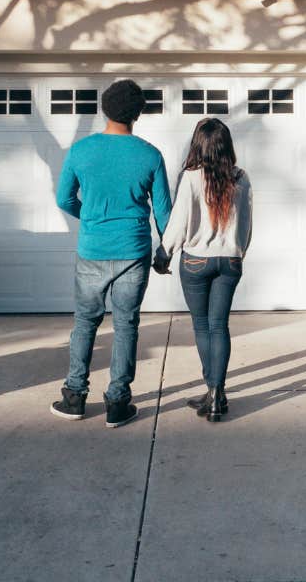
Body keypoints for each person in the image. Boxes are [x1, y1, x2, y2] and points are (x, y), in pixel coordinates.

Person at [51, 78, 172, 428]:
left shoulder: (81, 150)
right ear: (138, 113)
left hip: (92, 250)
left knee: (85, 323)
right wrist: (166, 251)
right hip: (133, 251)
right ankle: (118, 403)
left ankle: (74, 397)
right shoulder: (149, 155)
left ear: (104, 108)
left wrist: (88, 217)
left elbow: (63, 199)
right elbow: (164, 213)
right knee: (126, 324)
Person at [153, 117, 252, 422]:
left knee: (202, 326)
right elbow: (246, 224)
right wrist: (238, 252)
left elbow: (179, 221)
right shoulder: (241, 177)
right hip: (230, 261)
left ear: (198, 144)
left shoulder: (192, 177)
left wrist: (163, 252)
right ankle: (217, 393)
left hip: (196, 261)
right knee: (219, 326)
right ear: (226, 145)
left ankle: (212, 392)